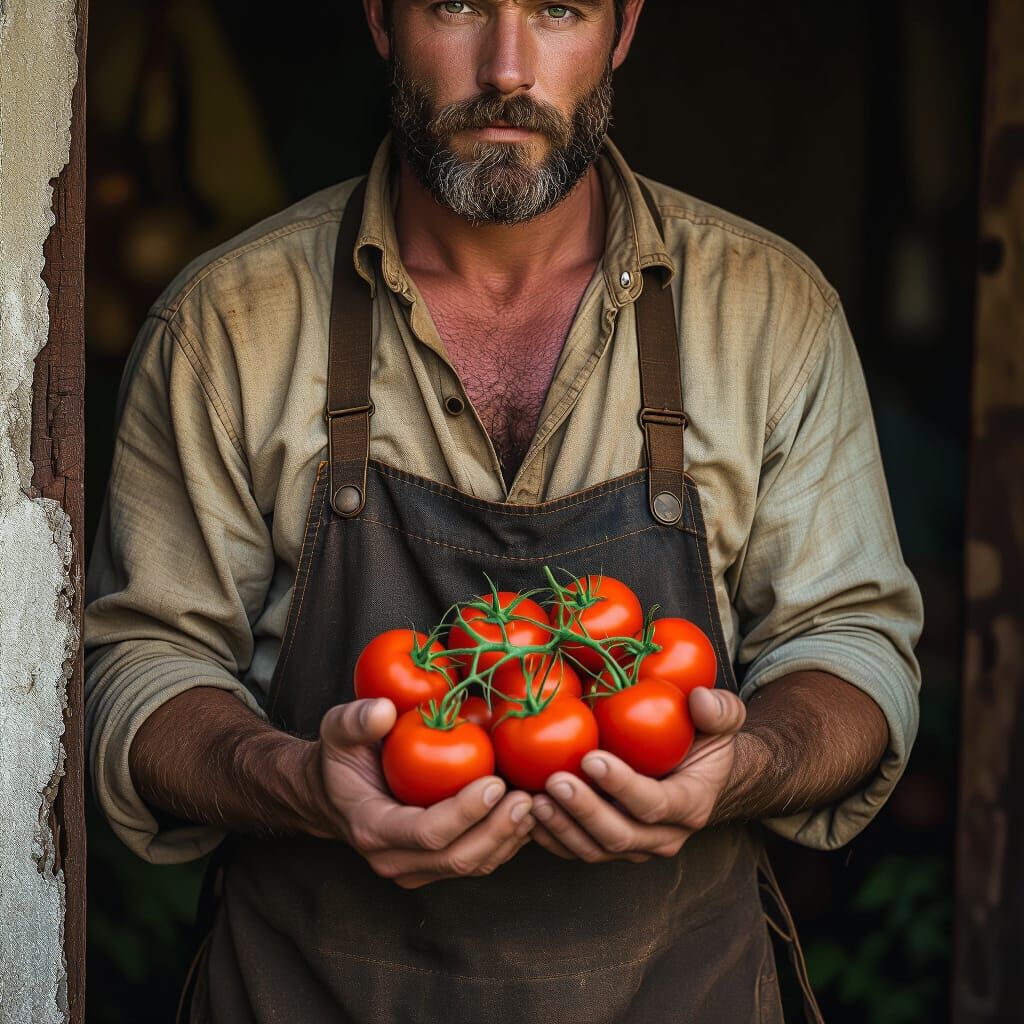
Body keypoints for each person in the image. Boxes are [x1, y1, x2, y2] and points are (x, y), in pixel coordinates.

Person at [84, 1, 924, 1021]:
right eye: (457, 5)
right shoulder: (225, 327)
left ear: (621, 31)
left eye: (558, 9)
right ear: (381, 22)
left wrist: (746, 762)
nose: (507, 67)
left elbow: (853, 648)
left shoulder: (770, 313)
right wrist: (302, 782)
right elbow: (138, 668)